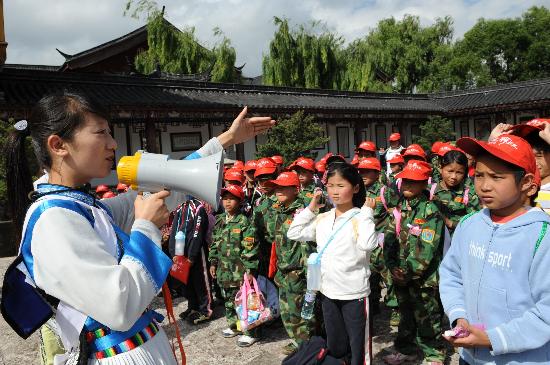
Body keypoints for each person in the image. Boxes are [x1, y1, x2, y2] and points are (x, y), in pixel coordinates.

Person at [3, 91, 274, 364]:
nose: (112, 144)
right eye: (101, 133)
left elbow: (165, 186)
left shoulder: (79, 206)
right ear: (58, 145)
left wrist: (226, 138)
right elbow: (119, 306)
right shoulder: (53, 218)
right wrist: (146, 227)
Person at [439, 134, 550, 364]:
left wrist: (493, 338)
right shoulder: (469, 225)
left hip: (522, 359)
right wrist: (458, 315)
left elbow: (546, 311)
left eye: (496, 177)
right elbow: (451, 275)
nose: (484, 186)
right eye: (479, 175)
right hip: (469, 357)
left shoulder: (542, 236)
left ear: (527, 183)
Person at [288, 163, 378, 365]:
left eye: (340, 185)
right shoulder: (323, 218)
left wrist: (367, 213)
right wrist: (310, 209)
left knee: (358, 350)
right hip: (328, 292)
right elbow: (293, 232)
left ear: (355, 188)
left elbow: (368, 243)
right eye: (330, 186)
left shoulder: (360, 217)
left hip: (354, 294)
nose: (334, 192)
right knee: (336, 346)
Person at [382, 160, 446, 365]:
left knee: (427, 315)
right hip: (401, 274)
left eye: (413, 182)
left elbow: (426, 250)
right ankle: (407, 349)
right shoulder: (402, 208)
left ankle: (434, 353)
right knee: (406, 315)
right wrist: (392, 267)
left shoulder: (430, 212)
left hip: (422, 277)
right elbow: (390, 238)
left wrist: (408, 272)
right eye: (405, 181)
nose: (407, 185)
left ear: (424, 184)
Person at [209, 185, 260, 346]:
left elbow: (250, 248)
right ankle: (235, 326)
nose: (227, 202)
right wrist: (213, 262)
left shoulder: (244, 221)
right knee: (229, 299)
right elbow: (214, 243)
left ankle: (251, 331)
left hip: (240, 271)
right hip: (224, 270)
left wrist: (250, 269)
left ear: (239, 201)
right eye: (225, 199)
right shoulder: (220, 220)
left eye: (231, 199)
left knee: (244, 300)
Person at [169, 197, 212, 325]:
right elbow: (174, 230)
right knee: (187, 281)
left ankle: (206, 310)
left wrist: (192, 256)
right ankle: (193, 306)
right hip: (181, 252)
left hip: (197, 252)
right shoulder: (180, 207)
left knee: (201, 281)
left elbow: (197, 232)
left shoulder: (198, 207)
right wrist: (173, 253)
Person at [432, 149, 481, 237]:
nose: (454, 177)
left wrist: (451, 223)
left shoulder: (468, 192)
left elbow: (476, 221)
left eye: (459, 172)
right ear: (440, 168)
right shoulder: (430, 190)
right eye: (450, 171)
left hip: (458, 239)